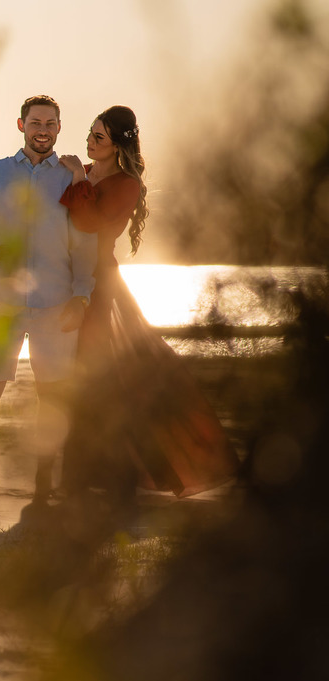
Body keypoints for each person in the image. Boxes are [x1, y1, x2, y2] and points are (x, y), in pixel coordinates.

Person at [57, 105, 237, 508]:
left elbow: (90, 224)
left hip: (99, 285)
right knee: (72, 376)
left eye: (99, 137)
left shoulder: (126, 184)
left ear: (118, 145)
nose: (89, 141)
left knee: (97, 376)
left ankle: (110, 480)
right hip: (65, 281)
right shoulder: (82, 170)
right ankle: (82, 477)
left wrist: (77, 179)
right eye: (90, 133)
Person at [0, 95, 97, 500]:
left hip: (56, 305)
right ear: (21, 125)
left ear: (59, 128)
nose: (42, 131)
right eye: (35, 123)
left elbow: (83, 243)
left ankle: (42, 487)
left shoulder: (72, 178)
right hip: (2, 304)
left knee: (51, 398)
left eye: (50, 124)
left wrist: (81, 295)